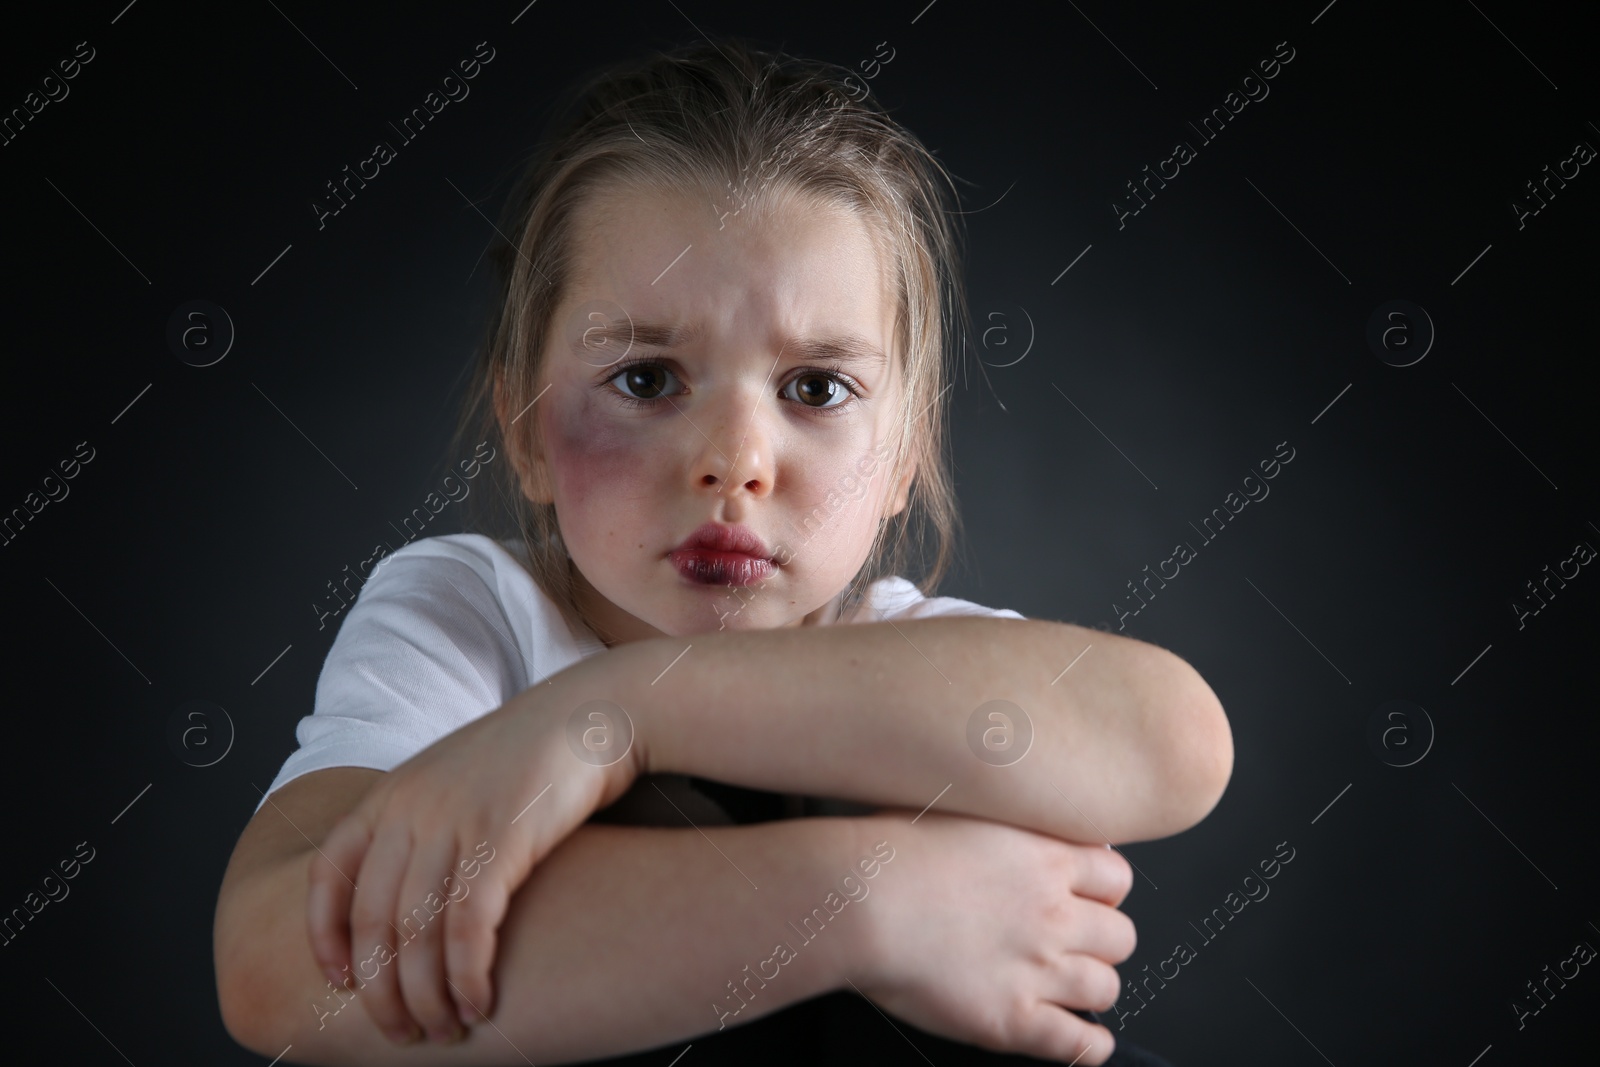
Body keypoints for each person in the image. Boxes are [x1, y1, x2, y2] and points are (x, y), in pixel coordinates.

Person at [213, 37, 1231, 1067]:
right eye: (647, 379)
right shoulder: (475, 614)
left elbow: (1175, 742)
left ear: (901, 460)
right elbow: (277, 969)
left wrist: (616, 715)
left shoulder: (900, 657)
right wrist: (871, 899)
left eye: (816, 388)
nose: (735, 463)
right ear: (523, 423)